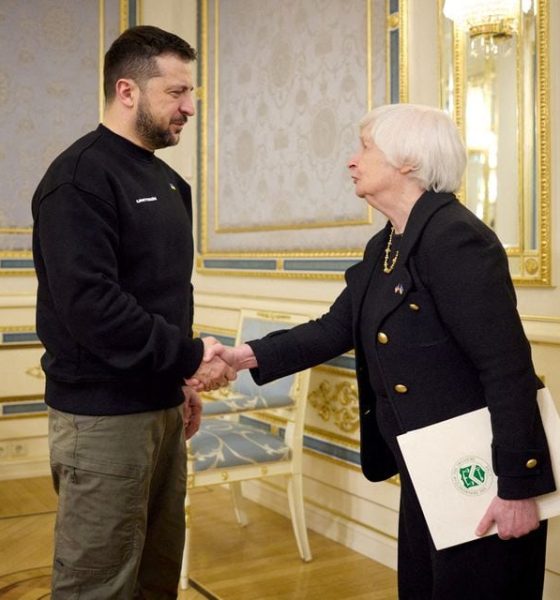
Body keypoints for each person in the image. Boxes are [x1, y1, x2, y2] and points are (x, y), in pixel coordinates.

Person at [193, 104, 556, 599]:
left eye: (365, 147)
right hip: (426, 468)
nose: (352, 160)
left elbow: (507, 368)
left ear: (407, 161)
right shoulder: (387, 243)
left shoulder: (456, 238)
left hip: (481, 474)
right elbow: (333, 328)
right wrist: (242, 357)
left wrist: (517, 488)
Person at [32, 25, 234, 599]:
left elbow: (166, 294)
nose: (189, 107)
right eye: (176, 92)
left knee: (155, 577)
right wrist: (193, 356)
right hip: (101, 421)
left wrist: (181, 379)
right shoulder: (78, 178)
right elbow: (92, 308)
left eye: (190, 93)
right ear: (127, 91)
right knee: (97, 586)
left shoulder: (171, 183)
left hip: (163, 408)